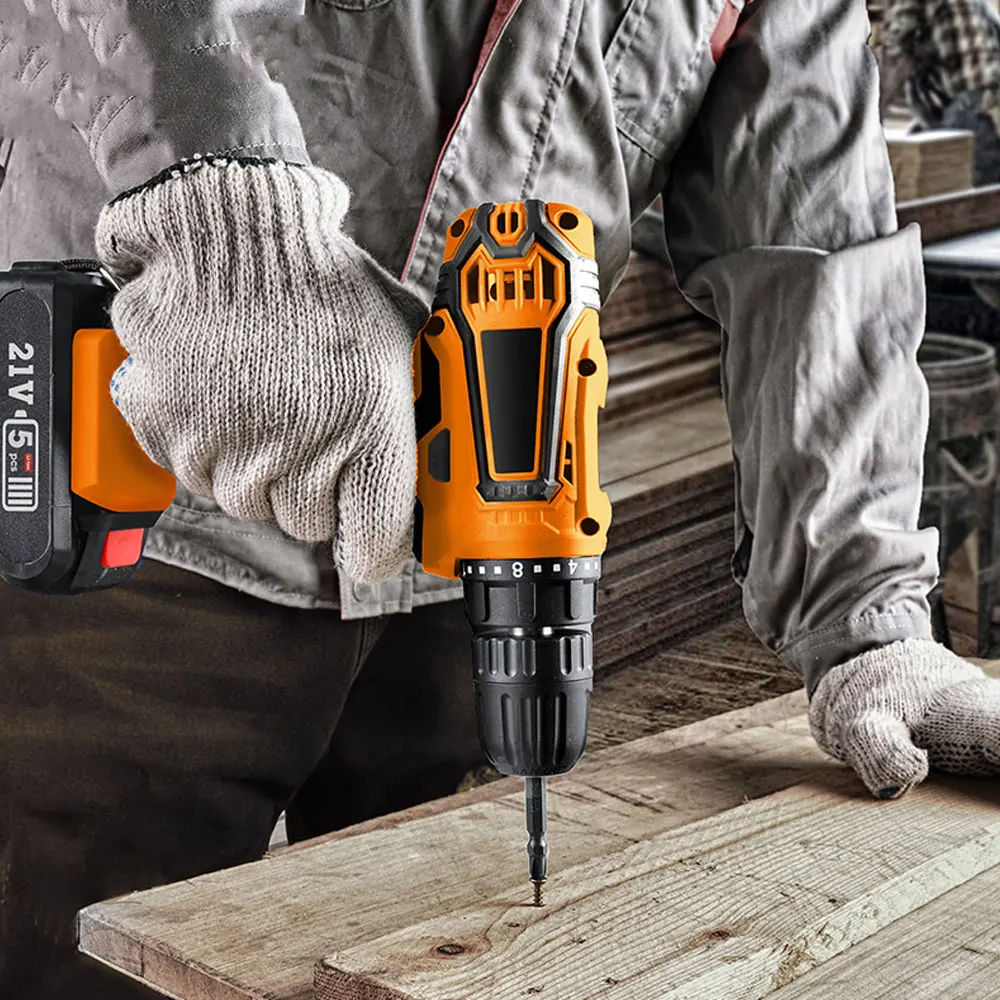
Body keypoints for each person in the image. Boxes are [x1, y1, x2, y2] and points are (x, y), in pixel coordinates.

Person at [3, 1, 1000, 995]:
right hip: (144, 506)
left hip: (467, 552)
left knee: (418, 956)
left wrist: (866, 619)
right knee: (86, 957)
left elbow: (812, 234)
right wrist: (225, 209)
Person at [878, 0, 1000, 184]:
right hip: (991, 107)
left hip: (972, 111)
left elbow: (895, 64)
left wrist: (868, 124)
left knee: (936, 183)